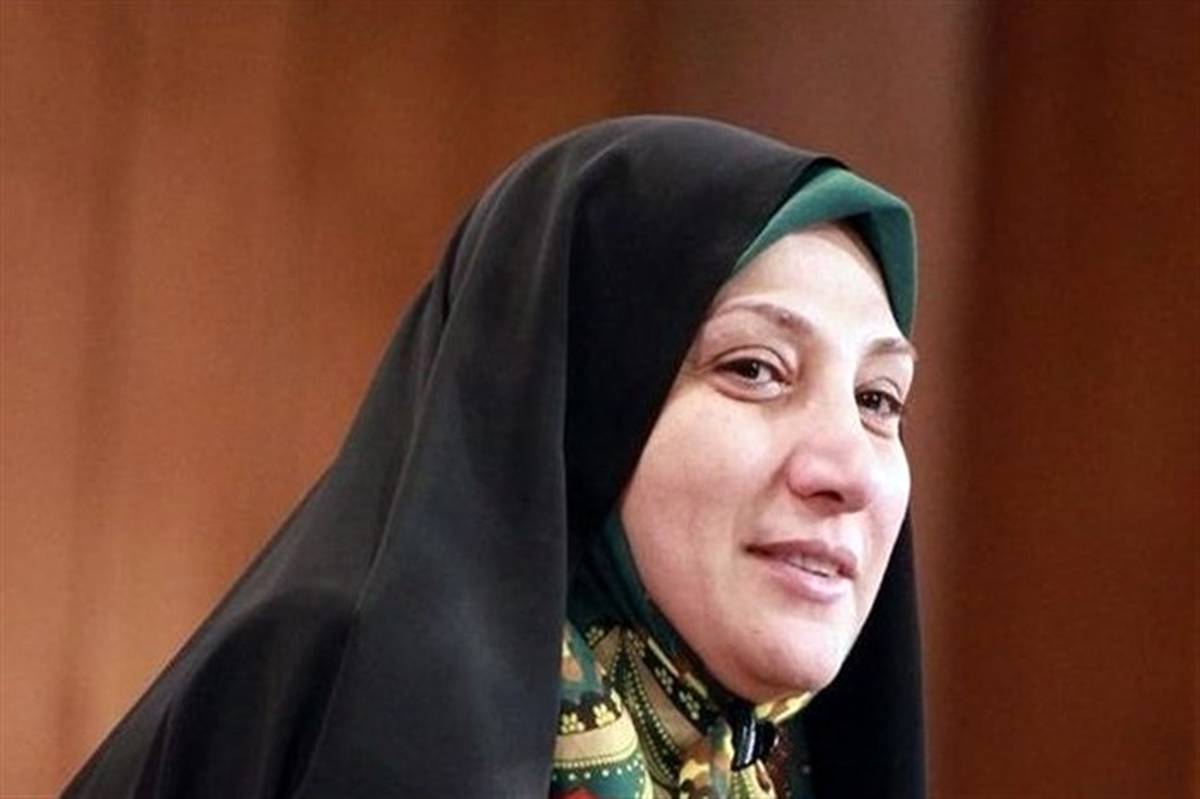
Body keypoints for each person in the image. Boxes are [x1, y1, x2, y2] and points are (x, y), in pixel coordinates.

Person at [63, 116, 924, 799]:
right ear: (574, 394)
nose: (846, 470)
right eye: (753, 369)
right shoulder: (330, 687)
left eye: (878, 400)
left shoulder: (767, 766)